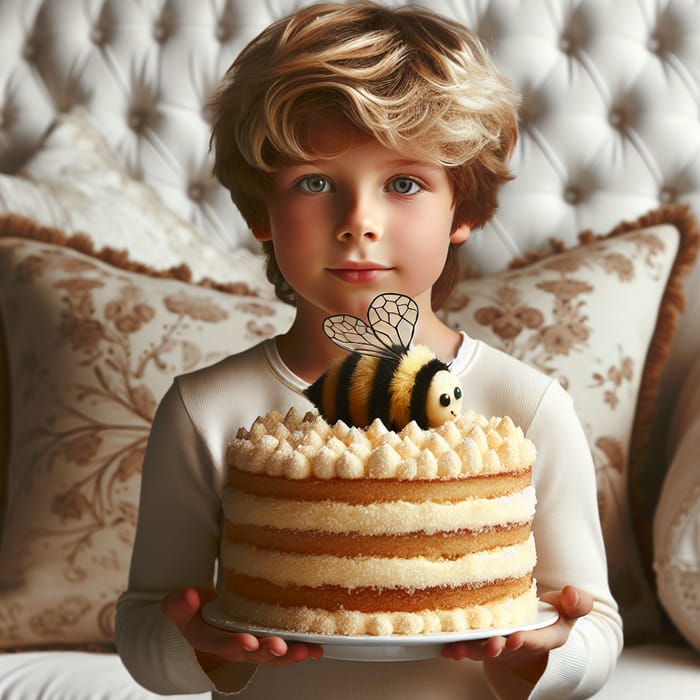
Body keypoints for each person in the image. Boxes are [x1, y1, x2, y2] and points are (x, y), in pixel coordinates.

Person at [115, 3, 623, 698]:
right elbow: (146, 626)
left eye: (405, 183)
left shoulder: (526, 406)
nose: (359, 222)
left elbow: (594, 623)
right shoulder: (207, 411)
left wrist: (542, 657)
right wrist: (206, 648)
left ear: (464, 209)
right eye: (315, 182)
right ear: (263, 211)